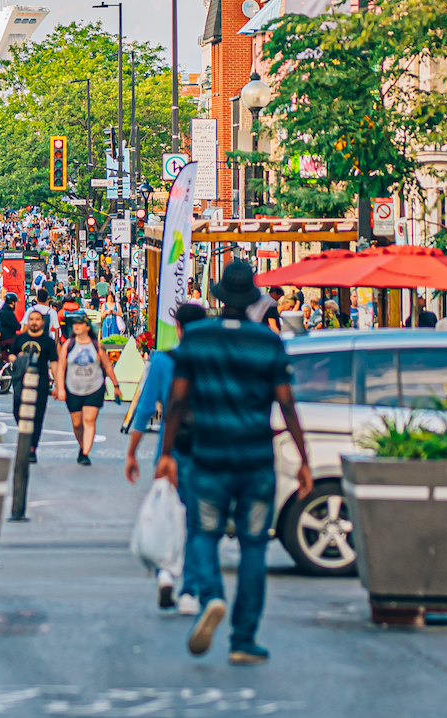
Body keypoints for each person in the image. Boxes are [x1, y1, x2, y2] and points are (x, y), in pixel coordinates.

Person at [156, 260, 313, 668]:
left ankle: (211, 596)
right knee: (254, 545)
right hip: (255, 459)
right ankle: (244, 638)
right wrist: (303, 459)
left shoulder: (198, 339)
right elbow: (287, 403)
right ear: (253, 301)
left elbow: (178, 401)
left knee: (203, 533)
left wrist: (167, 454)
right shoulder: (267, 342)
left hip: (208, 455)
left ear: (220, 298)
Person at [126, 300, 207, 613]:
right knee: (197, 520)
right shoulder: (212, 359)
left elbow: (145, 408)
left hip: (168, 449)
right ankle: (189, 589)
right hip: (206, 445)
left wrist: (132, 452)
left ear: (178, 328)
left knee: (169, 511)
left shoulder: (161, 360)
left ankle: (164, 574)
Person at [63, 313, 119, 465]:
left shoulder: (97, 346)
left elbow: (107, 366)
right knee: (77, 424)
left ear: (87, 327)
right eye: (74, 324)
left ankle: (85, 453)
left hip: (94, 387)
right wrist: (60, 388)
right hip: (73, 388)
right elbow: (61, 368)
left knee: (89, 420)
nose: (76, 326)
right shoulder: (68, 345)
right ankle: (82, 446)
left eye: (80, 323)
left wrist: (116, 386)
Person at [11, 306, 62, 463]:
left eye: (37, 320)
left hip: (41, 381)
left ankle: (32, 447)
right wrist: (17, 358)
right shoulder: (20, 339)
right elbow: (11, 355)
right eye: (31, 319)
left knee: (38, 415)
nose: (34, 322)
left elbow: (54, 364)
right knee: (17, 409)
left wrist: (58, 386)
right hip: (21, 379)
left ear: (42, 322)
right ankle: (25, 434)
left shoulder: (48, 342)